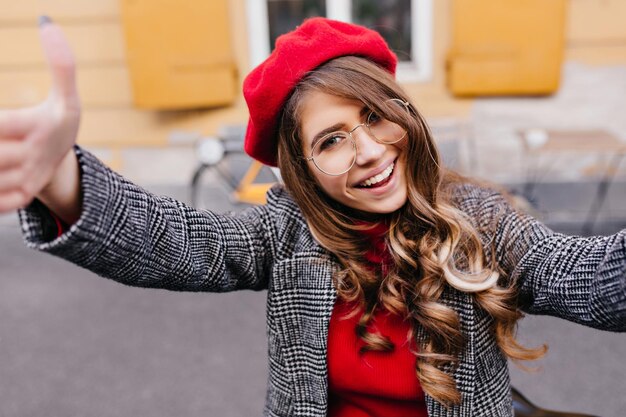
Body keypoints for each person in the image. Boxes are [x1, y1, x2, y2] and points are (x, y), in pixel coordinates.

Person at [1, 16, 624, 417]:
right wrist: (62, 179)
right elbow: (177, 242)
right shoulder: (288, 234)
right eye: (331, 140)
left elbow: (589, 277)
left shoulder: (481, 222)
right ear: (300, 168)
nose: (371, 151)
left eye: (376, 117)